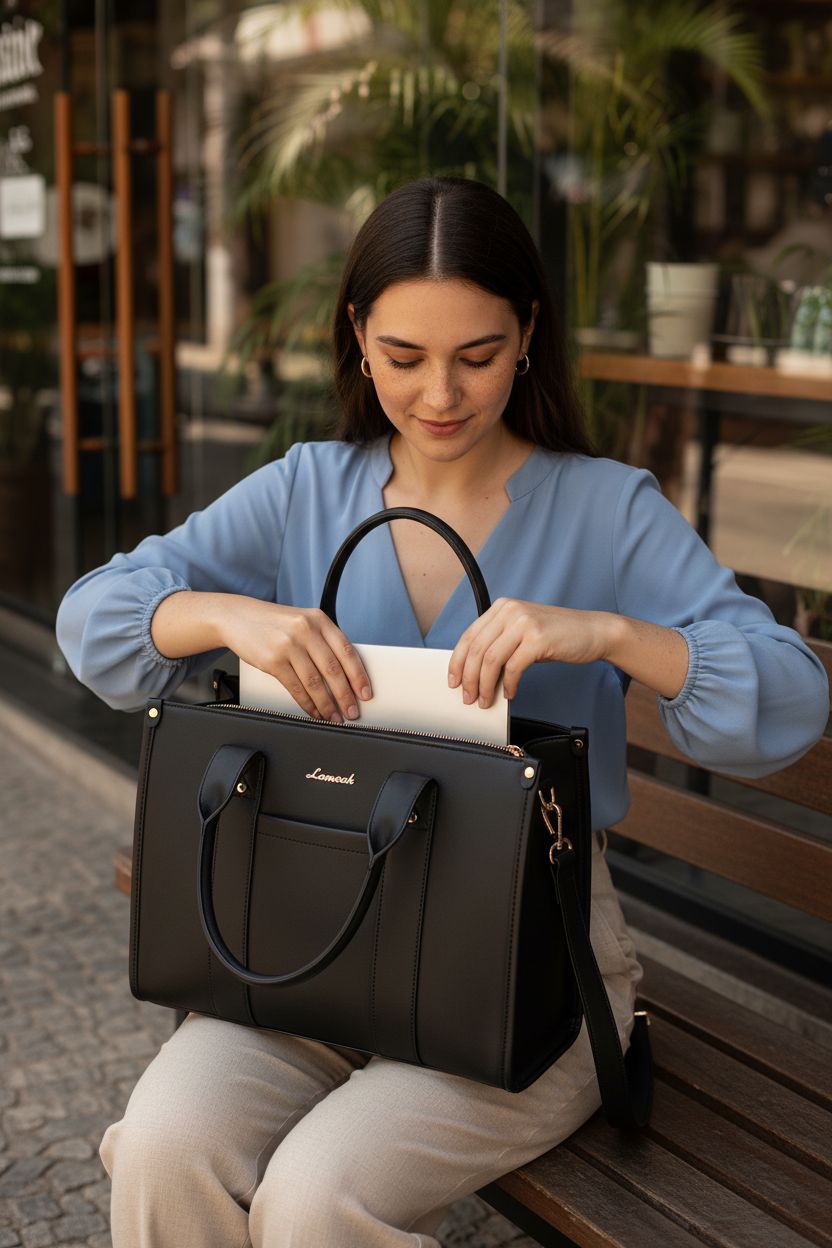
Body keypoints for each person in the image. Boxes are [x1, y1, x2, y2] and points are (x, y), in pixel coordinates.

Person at [55, 175, 829, 1248]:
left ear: (526, 339)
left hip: (529, 962)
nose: (439, 396)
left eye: (477, 355)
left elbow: (788, 700)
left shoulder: (605, 508)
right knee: (161, 1147)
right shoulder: (306, 489)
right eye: (404, 357)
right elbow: (92, 618)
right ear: (357, 340)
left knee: (317, 1200)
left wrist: (605, 634)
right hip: (312, 935)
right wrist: (226, 615)